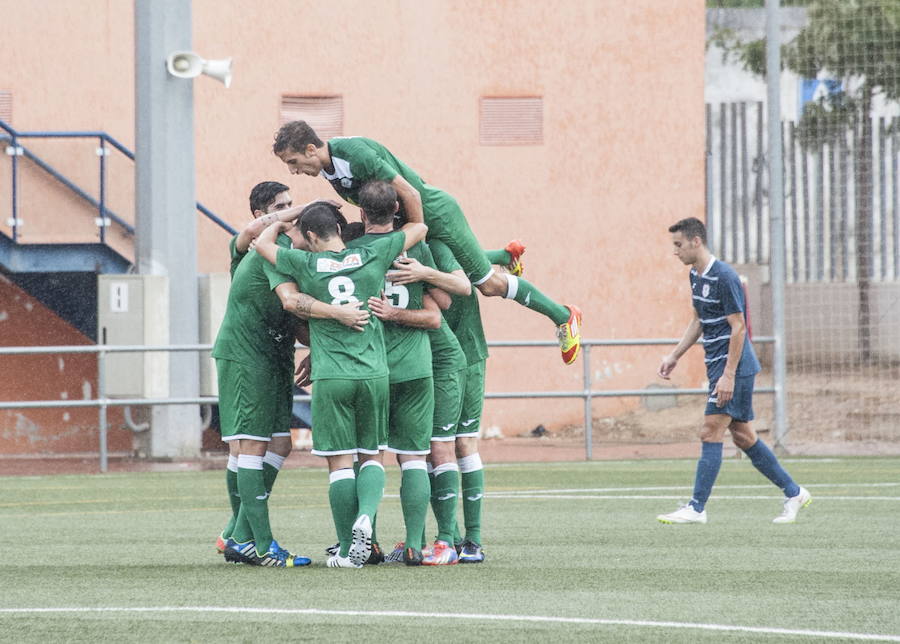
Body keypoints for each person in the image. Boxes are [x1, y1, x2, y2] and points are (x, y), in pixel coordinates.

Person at [270, 120, 583, 366]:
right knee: (429, 261)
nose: (293, 170)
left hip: (437, 214)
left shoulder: (355, 156)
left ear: (311, 149)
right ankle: (503, 255)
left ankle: (563, 316)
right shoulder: (328, 169)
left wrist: (415, 228)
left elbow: (410, 193)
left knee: (486, 285)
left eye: (294, 161)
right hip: (414, 222)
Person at [255, 201, 428, 567]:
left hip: (332, 376)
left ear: (313, 236)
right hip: (374, 374)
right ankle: (367, 515)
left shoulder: (306, 263)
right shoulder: (371, 253)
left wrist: (284, 219)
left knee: (339, 464)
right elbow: (419, 229)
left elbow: (261, 244)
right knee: (373, 455)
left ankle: (350, 550)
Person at [213, 183, 367, 567]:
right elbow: (290, 301)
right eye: (282, 209)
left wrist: (317, 347)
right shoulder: (265, 250)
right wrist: (339, 315)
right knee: (250, 446)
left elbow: (295, 319)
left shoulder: (288, 255)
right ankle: (259, 546)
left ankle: (238, 533)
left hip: (272, 356)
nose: (290, 213)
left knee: (279, 444)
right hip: (246, 356)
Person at [346, 181, 471, 566]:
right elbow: (443, 306)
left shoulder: (350, 254)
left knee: (370, 456)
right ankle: (415, 544)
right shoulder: (415, 248)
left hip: (372, 366)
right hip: (417, 366)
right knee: (415, 457)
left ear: (362, 214)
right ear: (397, 210)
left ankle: (371, 543)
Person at [656, 217, 811, 525]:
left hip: (735, 368)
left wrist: (728, 374)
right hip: (719, 367)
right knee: (743, 436)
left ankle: (696, 508)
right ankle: (794, 493)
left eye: (678, 245)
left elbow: (738, 328)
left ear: (695, 241)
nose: (675, 251)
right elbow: (698, 319)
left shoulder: (724, 276)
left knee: (710, 430)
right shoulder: (695, 276)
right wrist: (675, 355)